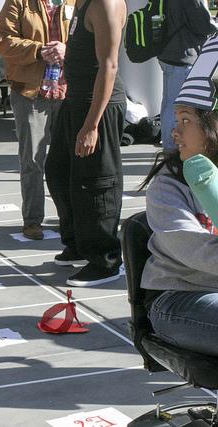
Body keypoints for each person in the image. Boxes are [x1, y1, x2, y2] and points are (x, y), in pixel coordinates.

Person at [139, 39, 218, 356]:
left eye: (186, 121)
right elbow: (194, 250)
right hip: (180, 298)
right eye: (177, 119)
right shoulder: (168, 186)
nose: (175, 131)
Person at [44, 0, 127, 286]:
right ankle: (79, 243)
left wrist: (92, 125)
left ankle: (105, 260)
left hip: (97, 107)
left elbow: (110, 65)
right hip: (75, 101)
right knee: (58, 173)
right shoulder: (81, 3)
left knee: (96, 183)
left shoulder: (106, 4)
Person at [0, 0, 75, 241]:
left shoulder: (75, 2)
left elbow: (90, 38)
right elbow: (3, 40)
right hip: (30, 92)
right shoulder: (19, 2)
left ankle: (70, 218)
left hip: (67, 90)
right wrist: (39, 50)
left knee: (70, 159)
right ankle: (32, 220)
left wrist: (66, 50)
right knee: (31, 160)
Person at [157, 0, 217, 153]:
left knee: (169, 103)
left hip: (169, 53)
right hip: (183, 55)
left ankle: (171, 147)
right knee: (179, 106)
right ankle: (173, 148)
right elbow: (203, 23)